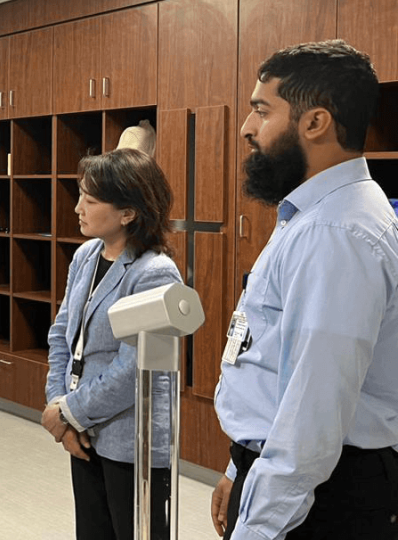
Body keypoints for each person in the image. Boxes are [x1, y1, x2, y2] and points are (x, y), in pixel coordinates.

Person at [211, 40, 398, 540]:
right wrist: (239, 467)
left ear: (315, 123)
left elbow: (314, 414)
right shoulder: (312, 212)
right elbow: (273, 361)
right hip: (292, 475)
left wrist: (259, 529)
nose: (248, 128)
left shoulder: (338, 233)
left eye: (261, 110)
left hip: (324, 496)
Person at [42, 147, 182, 540]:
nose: (78, 209)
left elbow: (136, 368)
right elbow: (62, 334)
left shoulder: (154, 273)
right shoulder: (86, 254)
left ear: (128, 212)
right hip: (84, 427)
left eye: (91, 200)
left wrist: (70, 411)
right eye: (80, 196)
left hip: (129, 440)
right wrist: (59, 403)